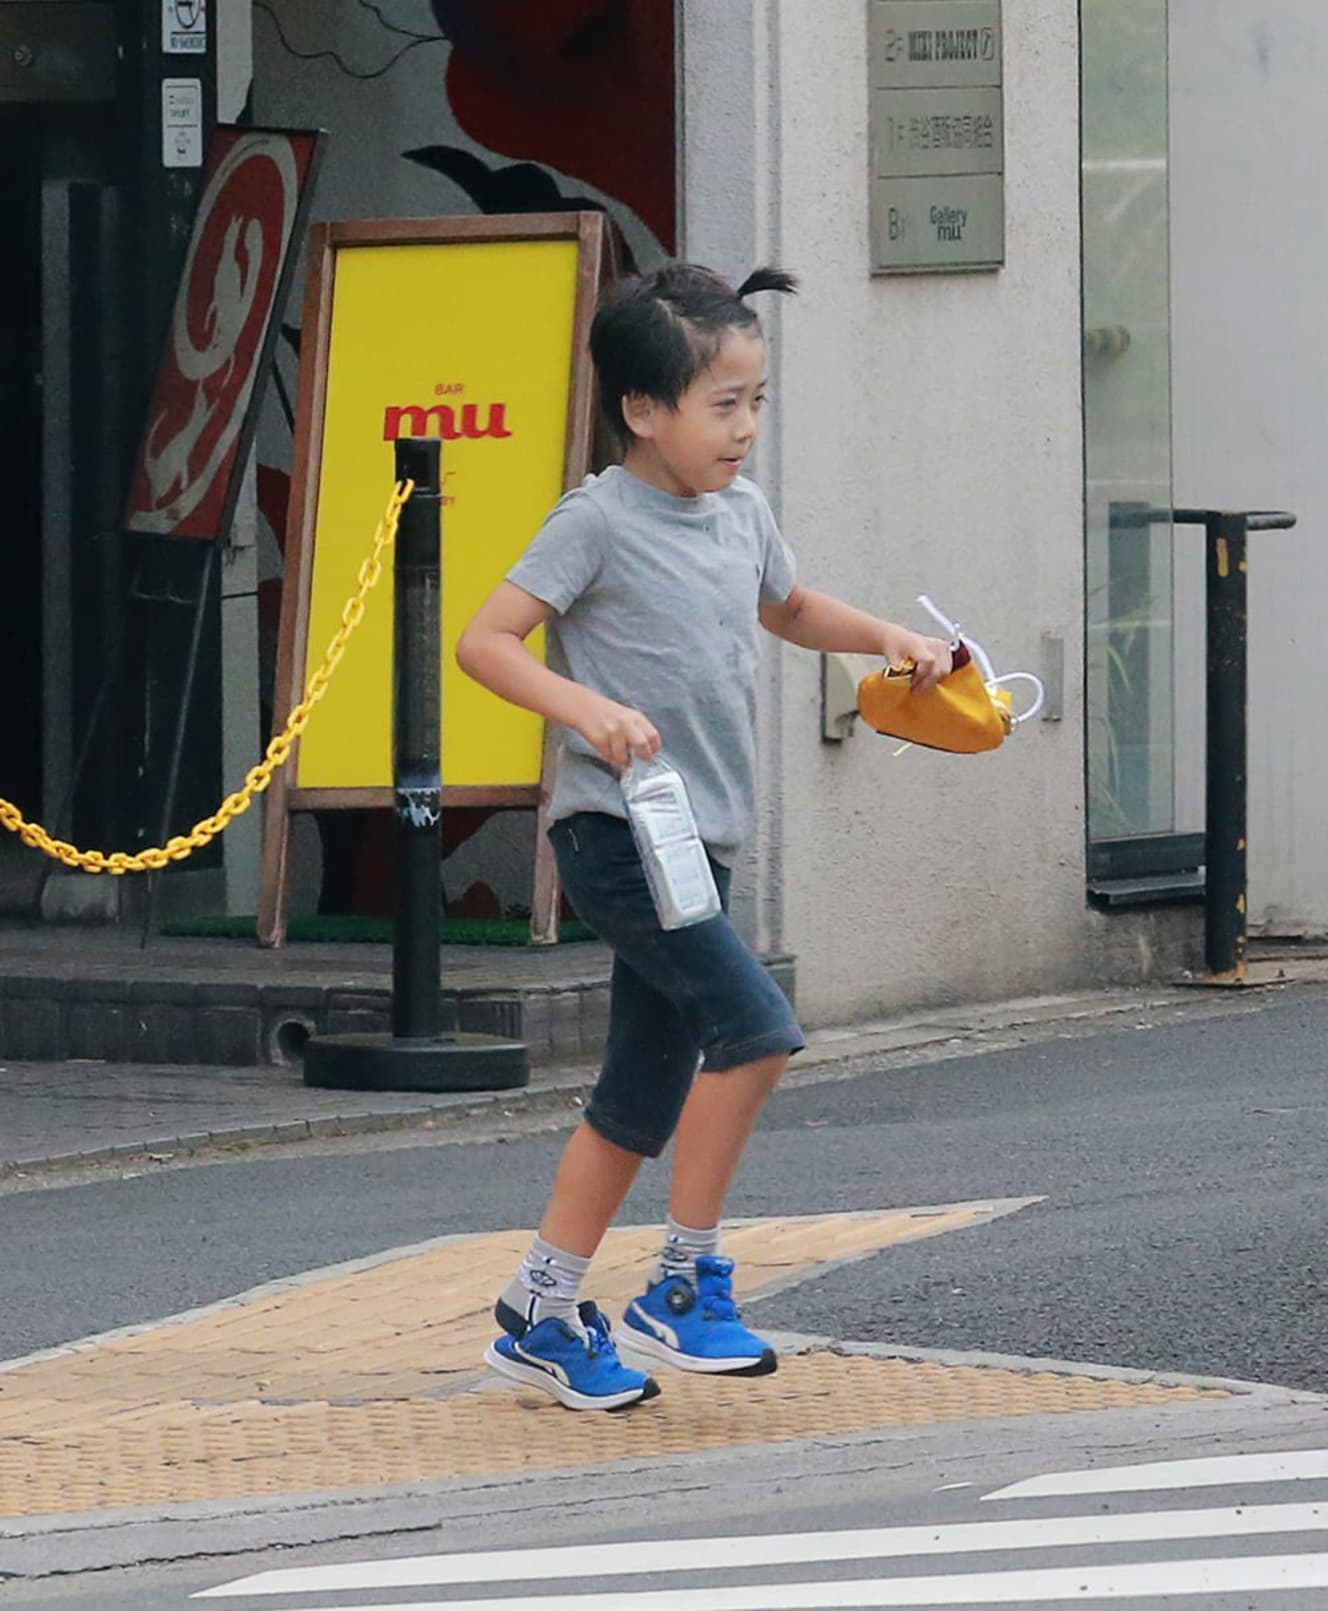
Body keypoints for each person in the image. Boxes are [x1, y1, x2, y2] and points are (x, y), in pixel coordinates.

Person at [455, 262, 952, 1411]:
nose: (745, 426)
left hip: (698, 841)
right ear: (642, 409)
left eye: (757, 400)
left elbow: (785, 608)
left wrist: (886, 638)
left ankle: (539, 1308)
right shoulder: (594, 521)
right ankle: (680, 1282)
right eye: (722, 404)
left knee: (637, 1088)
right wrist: (588, 711)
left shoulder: (741, 514)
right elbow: (488, 641)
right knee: (755, 1028)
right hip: (616, 836)